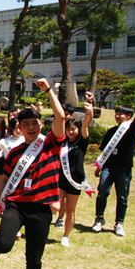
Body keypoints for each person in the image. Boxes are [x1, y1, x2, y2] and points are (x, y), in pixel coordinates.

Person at [0, 78, 65, 269]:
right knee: (5, 242)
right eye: (26, 124)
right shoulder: (14, 153)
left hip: (41, 209)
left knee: (35, 258)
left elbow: (60, 117)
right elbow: (2, 182)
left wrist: (48, 90)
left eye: (35, 123)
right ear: (19, 127)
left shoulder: (51, 144)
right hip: (16, 205)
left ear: (40, 125)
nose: (31, 127)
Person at [92, 89, 135, 237]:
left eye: (121, 113)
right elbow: (104, 151)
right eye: (116, 113)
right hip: (108, 168)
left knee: (122, 197)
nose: (117, 115)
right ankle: (99, 219)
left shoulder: (132, 129)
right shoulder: (110, 132)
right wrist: (99, 167)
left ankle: (119, 223)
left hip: (124, 169)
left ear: (128, 116)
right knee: (102, 192)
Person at [54, 94, 94, 247]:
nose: (71, 132)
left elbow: (85, 125)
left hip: (75, 180)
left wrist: (88, 111)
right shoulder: (62, 141)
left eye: (73, 129)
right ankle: (53, 221)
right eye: (69, 130)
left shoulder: (81, 141)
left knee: (70, 210)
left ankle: (66, 235)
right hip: (60, 178)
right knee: (55, 205)